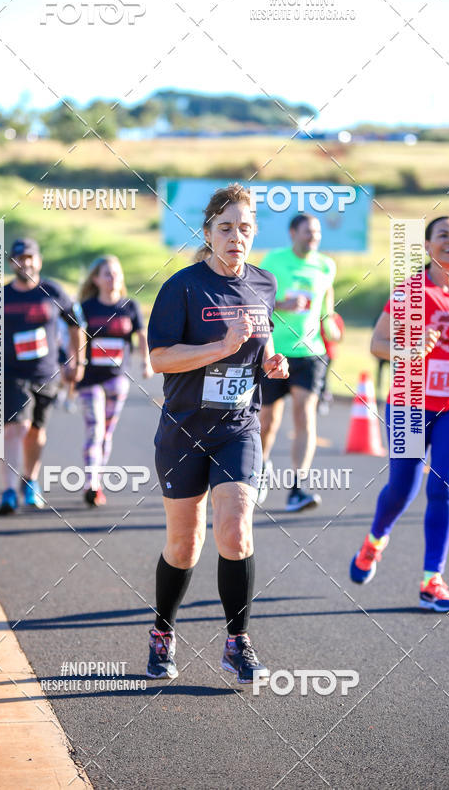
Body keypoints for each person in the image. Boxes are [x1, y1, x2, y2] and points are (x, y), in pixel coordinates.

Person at [145, 183, 288, 683]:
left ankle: (237, 642)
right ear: (208, 233)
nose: (235, 237)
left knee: (235, 528)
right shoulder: (182, 287)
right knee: (184, 545)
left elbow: (263, 343)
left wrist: (272, 362)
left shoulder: (265, 283)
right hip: (184, 431)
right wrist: (221, 348)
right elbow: (160, 359)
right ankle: (162, 632)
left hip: (238, 427)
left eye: (244, 228)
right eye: (225, 228)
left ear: (254, 233)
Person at [350, 216, 449, 612]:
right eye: (443, 235)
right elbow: (377, 344)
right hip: (409, 402)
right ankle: (374, 540)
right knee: (403, 488)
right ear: (428, 247)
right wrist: (410, 349)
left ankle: (433, 580)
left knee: (444, 486)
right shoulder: (410, 292)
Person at [258, 214, 340, 511]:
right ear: (293, 232)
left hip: (310, 352)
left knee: (305, 415)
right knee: (267, 421)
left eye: (317, 232)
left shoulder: (326, 265)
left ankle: (297, 488)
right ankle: (261, 466)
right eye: (308, 232)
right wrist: (283, 305)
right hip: (274, 351)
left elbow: (327, 299)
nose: (313, 237)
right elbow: (257, 300)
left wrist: (330, 323)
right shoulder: (273, 260)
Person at [0, 238, 84, 515]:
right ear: (12, 263)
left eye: (30, 257)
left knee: (36, 431)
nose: (25, 263)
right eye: (19, 258)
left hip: (46, 374)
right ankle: (9, 491)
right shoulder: (2, 295)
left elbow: (76, 325)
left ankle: (30, 480)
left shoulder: (53, 291)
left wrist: (77, 360)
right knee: (16, 428)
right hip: (12, 373)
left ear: (39, 261)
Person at [77, 255, 151, 506]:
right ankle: (91, 483)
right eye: (107, 274)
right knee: (95, 429)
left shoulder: (129, 306)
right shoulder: (86, 307)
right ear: (96, 279)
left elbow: (141, 334)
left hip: (117, 379)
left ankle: (96, 481)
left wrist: (146, 362)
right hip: (90, 378)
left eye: (117, 273)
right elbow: (75, 337)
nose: (113, 278)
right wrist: (71, 366)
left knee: (106, 434)